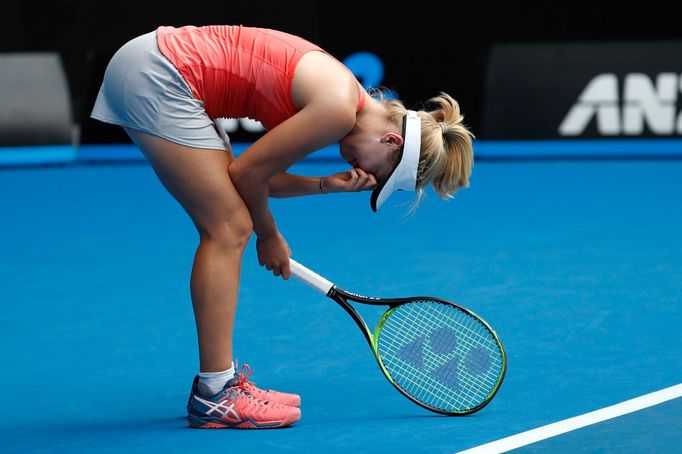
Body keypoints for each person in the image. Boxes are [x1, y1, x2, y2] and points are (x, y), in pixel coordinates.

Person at [90, 24, 474, 430]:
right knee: (229, 227)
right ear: (392, 142)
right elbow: (247, 175)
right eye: (377, 172)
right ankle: (216, 395)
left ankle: (218, 386)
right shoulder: (337, 109)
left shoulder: (344, 97)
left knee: (231, 219)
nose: (361, 172)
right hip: (162, 73)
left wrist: (326, 185)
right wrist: (268, 236)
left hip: (159, 65)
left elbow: (247, 175)